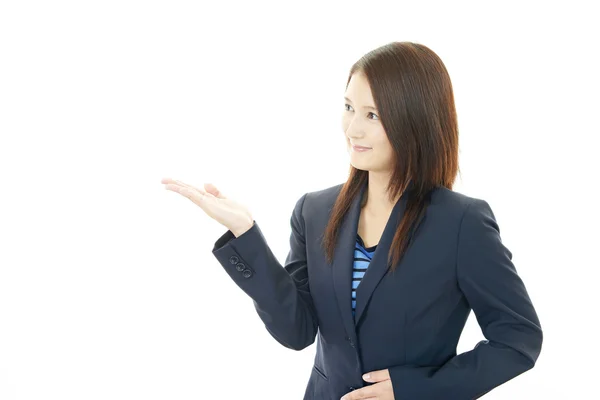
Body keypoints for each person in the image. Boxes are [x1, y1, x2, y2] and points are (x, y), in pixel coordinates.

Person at [161, 41, 543, 400]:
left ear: (415, 120)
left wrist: (417, 388)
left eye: (373, 115)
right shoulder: (314, 210)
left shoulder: (461, 222)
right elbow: (297, 332)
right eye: (349, 108)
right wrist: (245, 232)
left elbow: (518, 338)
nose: (352, 129)